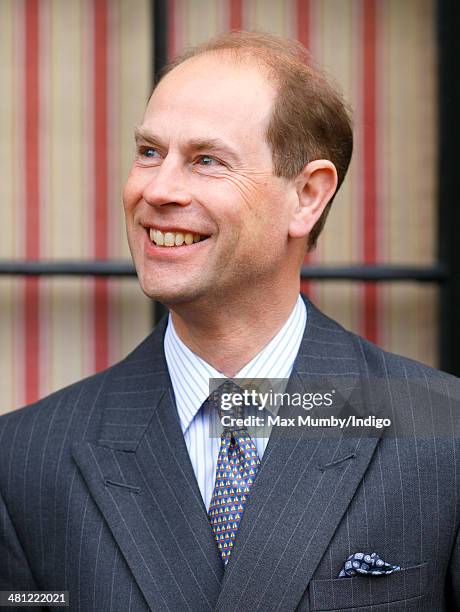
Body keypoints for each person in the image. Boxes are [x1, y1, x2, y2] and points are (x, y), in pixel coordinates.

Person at [0, 30, 458, 612]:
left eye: (206, 160)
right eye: (148, 152)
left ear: (307, 197)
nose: (157, 189)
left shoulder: (442, 435)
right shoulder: (23, 459)